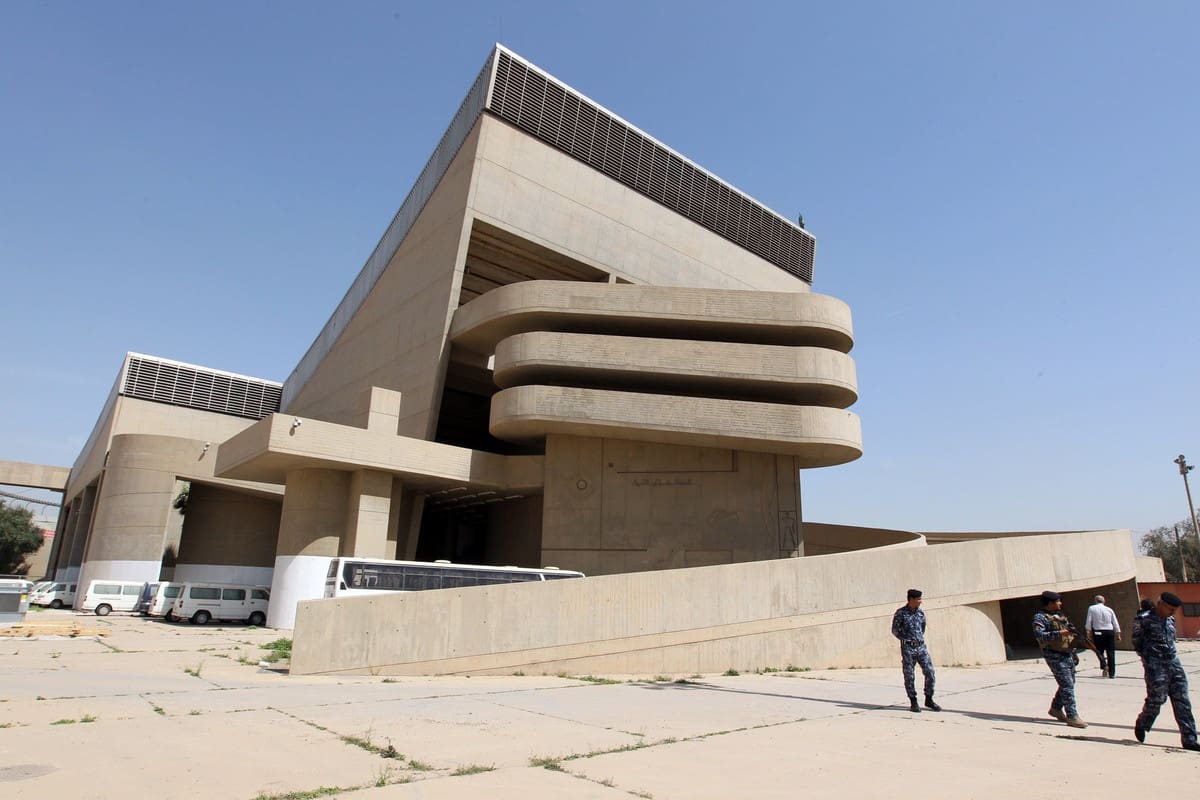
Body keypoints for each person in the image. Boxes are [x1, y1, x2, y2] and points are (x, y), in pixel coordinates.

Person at [1133, 591, 1199, 750]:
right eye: (1170, 609)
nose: (1172, 612)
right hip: (1156, 667)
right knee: (1157, 699)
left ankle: (1189, 739)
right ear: (1160, 604)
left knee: (1183, 701)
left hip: (1174, 664)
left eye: (1174, 610)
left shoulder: (1170, 620)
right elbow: (1137, 643)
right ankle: (1143, 722)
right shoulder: (1144, 620)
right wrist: (1149, 662)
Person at [1032, 590, 1087, 728]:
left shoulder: (1059, 616)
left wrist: (1073, 652)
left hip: (1067, 653)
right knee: (1067, 684)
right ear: (1050, 603)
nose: (1060, 603)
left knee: (1069, 682)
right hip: (1054, 654)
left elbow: (1069, 636)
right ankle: (1072, 716)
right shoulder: (1040, 618)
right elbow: (1040, 636)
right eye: (1057, 601)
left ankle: (1056, 708)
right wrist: (1060, 633)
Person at [891, 588, 941, 712]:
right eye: (918, 599)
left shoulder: (920, 613)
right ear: (911, 599)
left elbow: (922, 628)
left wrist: (917, 640)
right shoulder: (901, 613)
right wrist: (907, 640)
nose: (920, 601)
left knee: (930, 672)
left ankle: (929, 699)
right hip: (908, 648)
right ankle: (913, 701)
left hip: (921, 646)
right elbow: (895, 630)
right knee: (909, 675)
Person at [1084, 594, 1121, 678]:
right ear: (1104, 601)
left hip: (1098, 632)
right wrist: (1118, 633)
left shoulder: (1092, 608)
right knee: (1111, 652)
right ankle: (1112, 673)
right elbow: (1115, 622)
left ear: (1095, 601)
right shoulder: (1109, 609)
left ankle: (1104, 665)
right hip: (1109, 631)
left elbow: (1089, 621)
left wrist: (1088, 631)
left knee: (1099, 651)